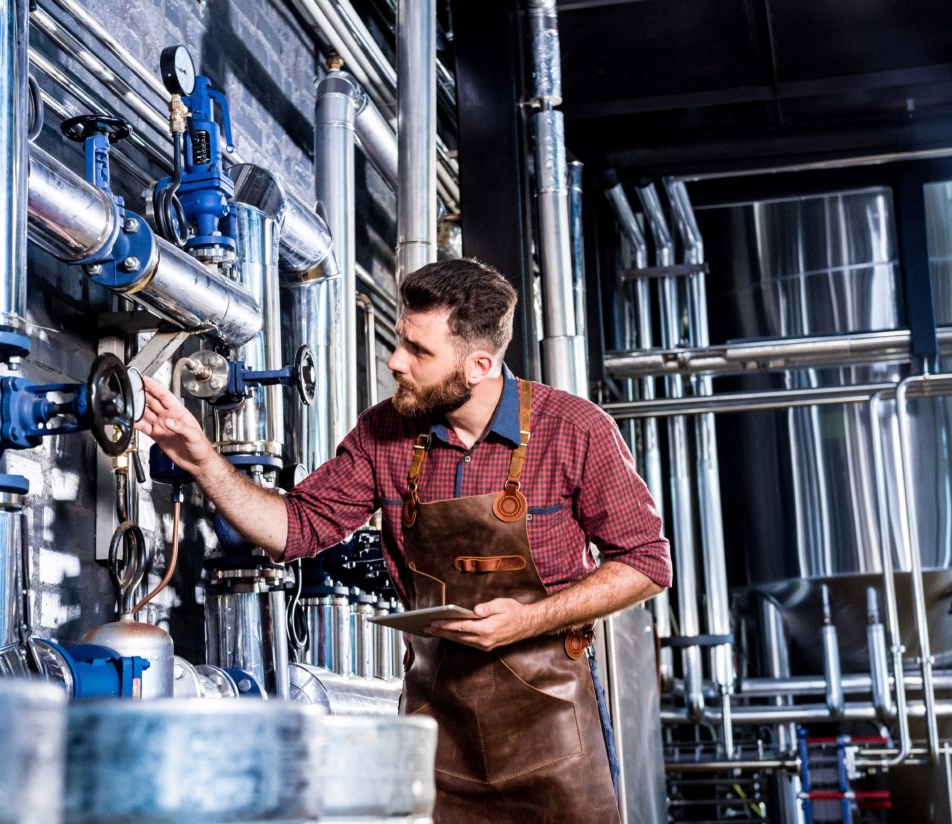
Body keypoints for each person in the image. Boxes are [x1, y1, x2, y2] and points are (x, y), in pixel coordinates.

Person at [136, 257, 672, 823]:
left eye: (419, 352)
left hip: (555, 729)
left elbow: (646, 563)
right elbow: (294, 529)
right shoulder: (384, 432)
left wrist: (528, 620)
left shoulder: (575, 430)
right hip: (437, 729)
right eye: (400, 341)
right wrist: (203, 462)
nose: (395, 362)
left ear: (479, 366)